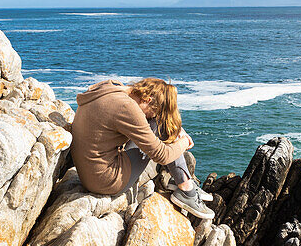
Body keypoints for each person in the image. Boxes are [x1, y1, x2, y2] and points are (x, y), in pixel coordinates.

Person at [70, 78, 214, 219]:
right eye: (152, 112)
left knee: (160, 122)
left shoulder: (112, 88)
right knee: (160, 123)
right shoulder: (126, 107)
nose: (148, 116)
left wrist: (175, 129)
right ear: (148, 100)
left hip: (90, 172)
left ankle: (183, 183)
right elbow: (161, 155)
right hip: (106, 180)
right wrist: (184, 141)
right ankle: (186, 189)